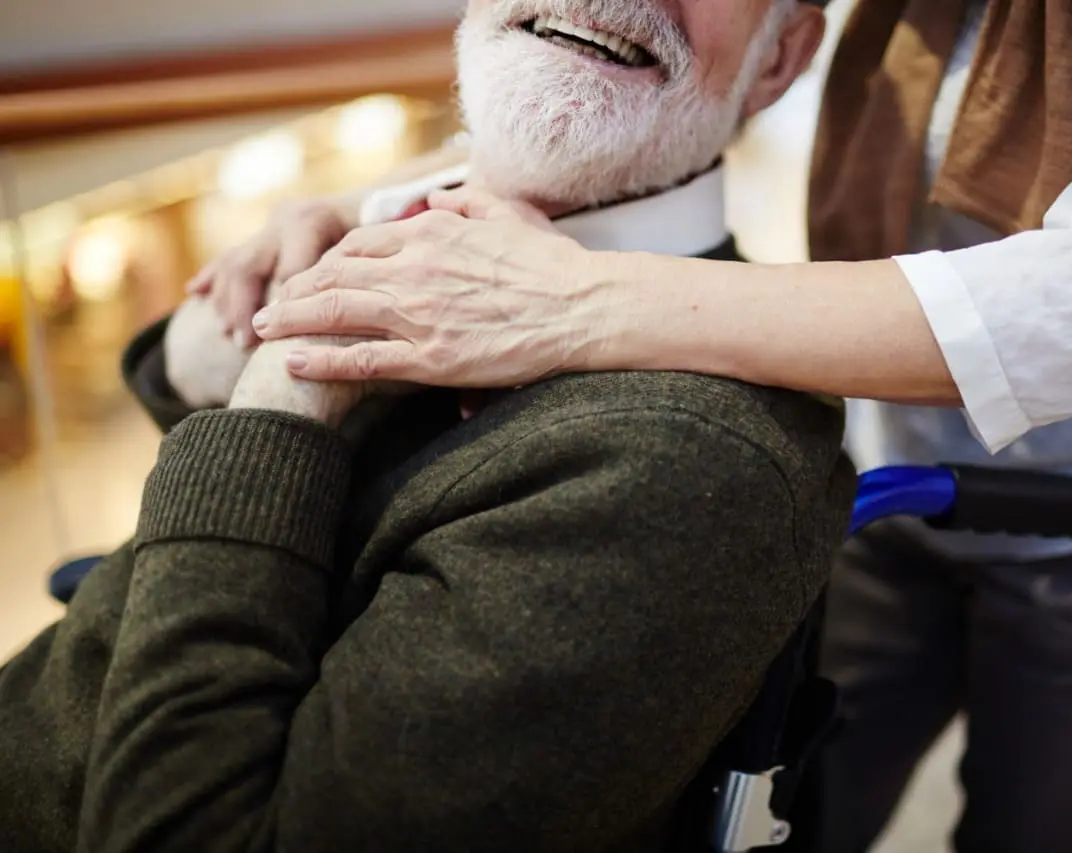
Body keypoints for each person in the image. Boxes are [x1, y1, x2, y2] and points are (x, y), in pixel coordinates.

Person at [241, 1, 1072, 852]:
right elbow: (654, 84)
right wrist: (394, 214)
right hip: (892, 467)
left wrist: (579, 302)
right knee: (780, 803)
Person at [0, 1, 853, 851]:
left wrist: (291, 380)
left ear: (779, 56)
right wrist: (206, 352)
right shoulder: (404, 219)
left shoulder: (695, 460)